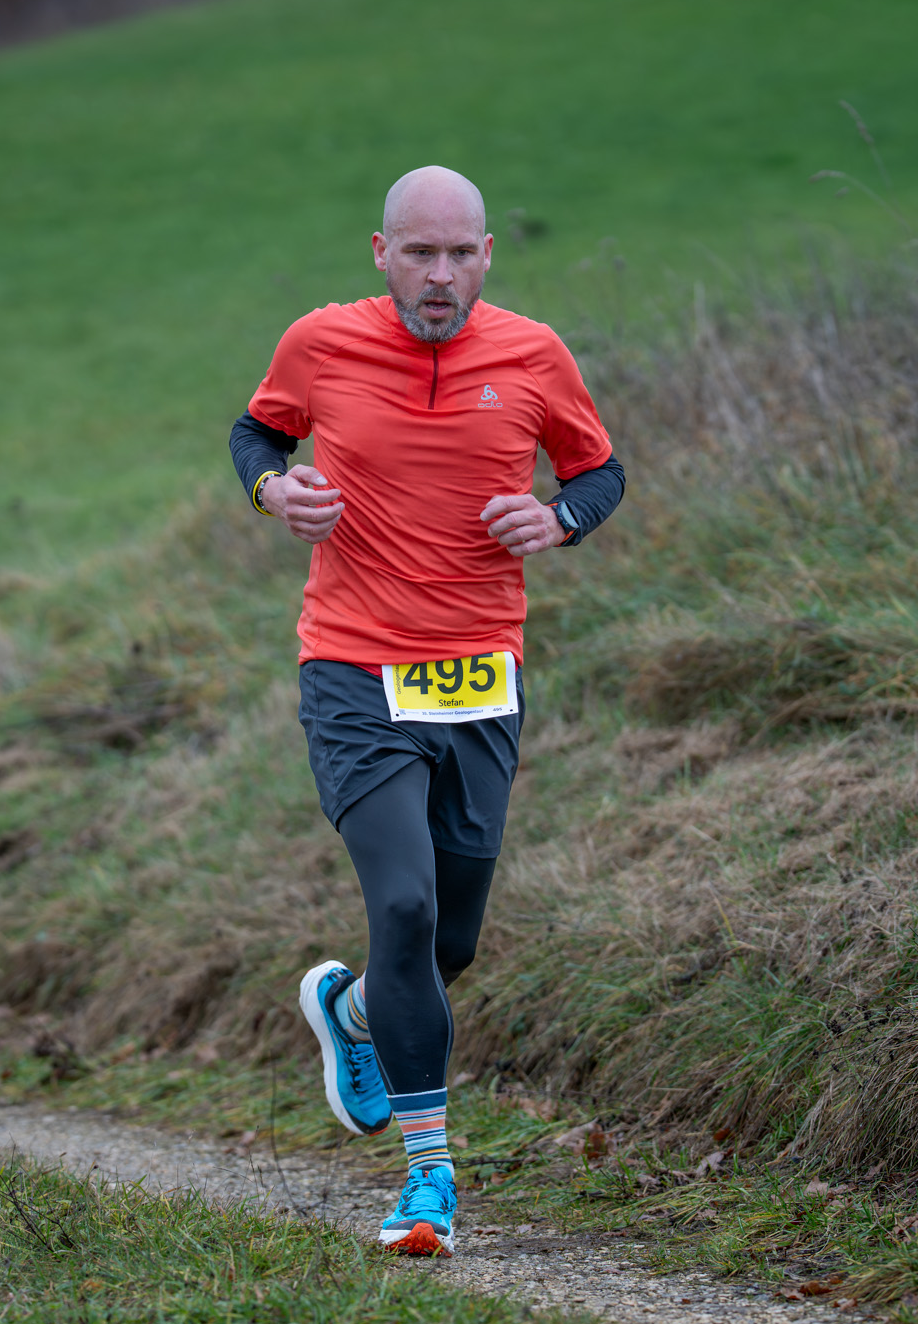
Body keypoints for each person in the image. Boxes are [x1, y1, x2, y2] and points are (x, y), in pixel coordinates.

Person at [228, 165, 626, 1257]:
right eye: (419, 253)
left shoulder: (534, 355)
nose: (439, 275)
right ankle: (427, 1178)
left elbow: (598, 471)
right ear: (381, 254)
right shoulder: (320, 343)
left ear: (486, 256)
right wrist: (275, 490)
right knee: (401, 908)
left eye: (458, 254)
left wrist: (560, 521)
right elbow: (257, 434)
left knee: (448, 940)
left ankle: (352, 1010)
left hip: (479, 680)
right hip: (353, 669)